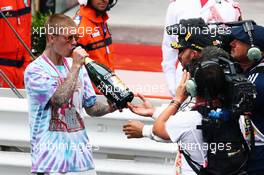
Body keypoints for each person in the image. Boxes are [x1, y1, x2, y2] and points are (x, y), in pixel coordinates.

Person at [24, 14, 117, 175]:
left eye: (76, 37)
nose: (74, 42)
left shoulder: (79, 66)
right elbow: (58, 99)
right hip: (50, 162)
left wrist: (112, 106)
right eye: (69, 38)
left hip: (81, 159)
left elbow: (91, 107)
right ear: (52, 38)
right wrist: (75, 66)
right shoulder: (35, 70)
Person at [123, 18, 229, 140]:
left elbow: (184, 128)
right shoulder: (210, 74)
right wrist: (154, 111)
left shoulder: (206, 81)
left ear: (193, 54)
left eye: (181, 50)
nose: (179, 56)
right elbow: (184, 121)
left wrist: (144, 130)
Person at [162, 0, 241, 97]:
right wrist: (172, 86)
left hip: (219, 75)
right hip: (185, 74)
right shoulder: (177, 5)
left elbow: (235, 45)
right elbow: (168, 47)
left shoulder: (230, 6)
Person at [229, 23, 264, 175]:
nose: (231, 43)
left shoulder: (257, 80)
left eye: (238, 40)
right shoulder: (253, 73)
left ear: (254, 49)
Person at [74, 0, 117, 72]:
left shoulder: (101, 20)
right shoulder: (81, 28)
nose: (105, 0)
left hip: (108, 79)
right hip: (92, 82)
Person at [0, 0, 31, 88]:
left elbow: (27, 32)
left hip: (22, 72)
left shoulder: (25, 1)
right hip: (3, 71)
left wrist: (27, 66)